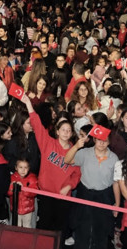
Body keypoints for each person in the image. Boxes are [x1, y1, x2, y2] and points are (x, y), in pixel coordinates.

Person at [19, 94, 82, 234]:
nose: (66, 132)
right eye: (63, 130)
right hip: (46, 194)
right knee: (44, 227)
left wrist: (69, 186)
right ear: (57, 131)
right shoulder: (48, 144)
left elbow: (77, 174)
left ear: (72, 133)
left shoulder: (75, 151)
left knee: (60, 229)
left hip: (63, 195)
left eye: (69, 130)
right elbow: (37, 124)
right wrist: (28, 104)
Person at [64, 127, 119, 249]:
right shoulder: (85, 153)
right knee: (82, 230)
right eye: (99, 140)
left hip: (104, 195)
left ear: (108, 142)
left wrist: (117, 203)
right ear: (94, 139)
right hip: (85, 193)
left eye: (105, 141)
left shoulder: (114, 158)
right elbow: (67, 160)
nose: (101, 143)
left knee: (101, 232)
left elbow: (116, 182)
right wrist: (76, 145)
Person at [9, 158, 39, 228]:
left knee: (27, 227)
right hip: (15, 209)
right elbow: (8, 193)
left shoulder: (32, 178)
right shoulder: (12, 178)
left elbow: (34, 193)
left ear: (29, 168)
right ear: (16, 168)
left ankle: (27, 239)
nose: (23, 170)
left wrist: (23, 188)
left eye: (26, 167)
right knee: (16, 227)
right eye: (20, 167)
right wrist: (11, 187)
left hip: (27, 210)